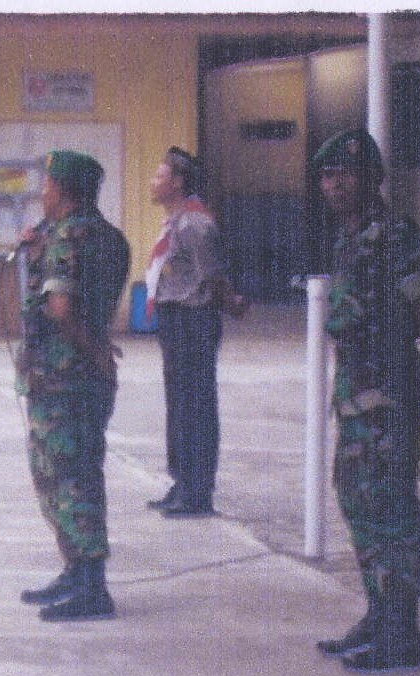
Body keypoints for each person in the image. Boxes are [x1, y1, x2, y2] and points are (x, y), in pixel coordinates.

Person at [313, 128, 420, 672]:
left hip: (390, 393)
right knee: (355, 495)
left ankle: (400, 631)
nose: (335, 185)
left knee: (389, 504)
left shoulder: (396, 235)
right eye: (328, 176)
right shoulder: (348, 238)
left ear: (372, 179)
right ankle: (378, 611)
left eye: (345, 175)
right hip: (355, 395)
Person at [16, 150, 130, 621]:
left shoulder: (68, 235)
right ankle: (77, 572)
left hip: (64, 377)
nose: (42, 193)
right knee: (70, 474)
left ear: (62, 189)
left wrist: (94, 349)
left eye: (46, 184)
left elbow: (61, 309)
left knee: (68, 479)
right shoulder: (109, 237)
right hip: (76, 377)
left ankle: (92, 586)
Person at [144, 147, 247, 517]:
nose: (152, 182)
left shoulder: (194, 224)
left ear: (177, 182)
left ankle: (198, 491)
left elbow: (212, 276)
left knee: (196, 407)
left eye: (159, 176)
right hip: (175, 318)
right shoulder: (176, 221)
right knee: (179, 406)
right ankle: (182, 482)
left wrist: (231, 303)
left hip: (193, 319)